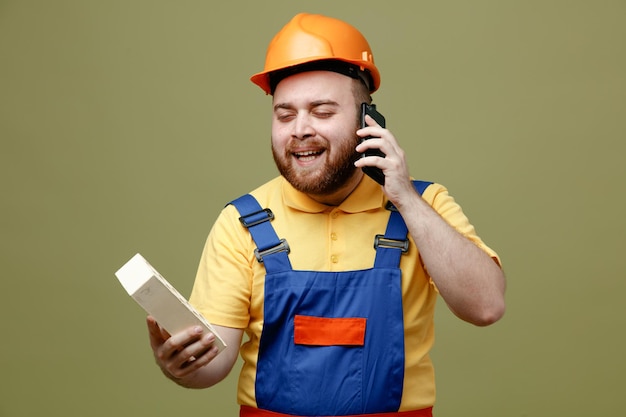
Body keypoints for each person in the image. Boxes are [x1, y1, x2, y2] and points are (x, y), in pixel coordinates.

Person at [147, 12, 506, 417]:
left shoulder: (425, 205)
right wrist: (180, 366)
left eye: (322, 111)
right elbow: (213, 364)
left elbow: (486, 306)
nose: (300, 129)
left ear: (366, 122)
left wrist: (404, 198)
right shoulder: (242, 223)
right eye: (285, 114)